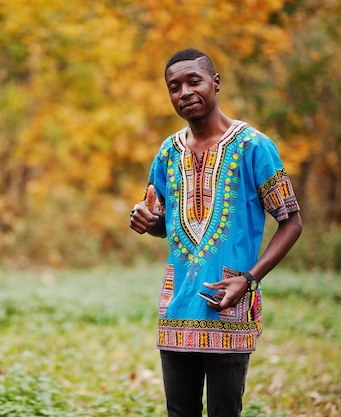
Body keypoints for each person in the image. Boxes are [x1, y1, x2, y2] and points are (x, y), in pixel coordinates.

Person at [129, 48, 302, 417]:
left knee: (225, 412)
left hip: (228, 306)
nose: (185, 92)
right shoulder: (167, 152)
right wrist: (146, 221)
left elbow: (291, 221)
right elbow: (164, 222)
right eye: (174, 87)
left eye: (194, 81)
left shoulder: (254, 147)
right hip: (177, 308)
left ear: (216, 83)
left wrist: (249, 280)